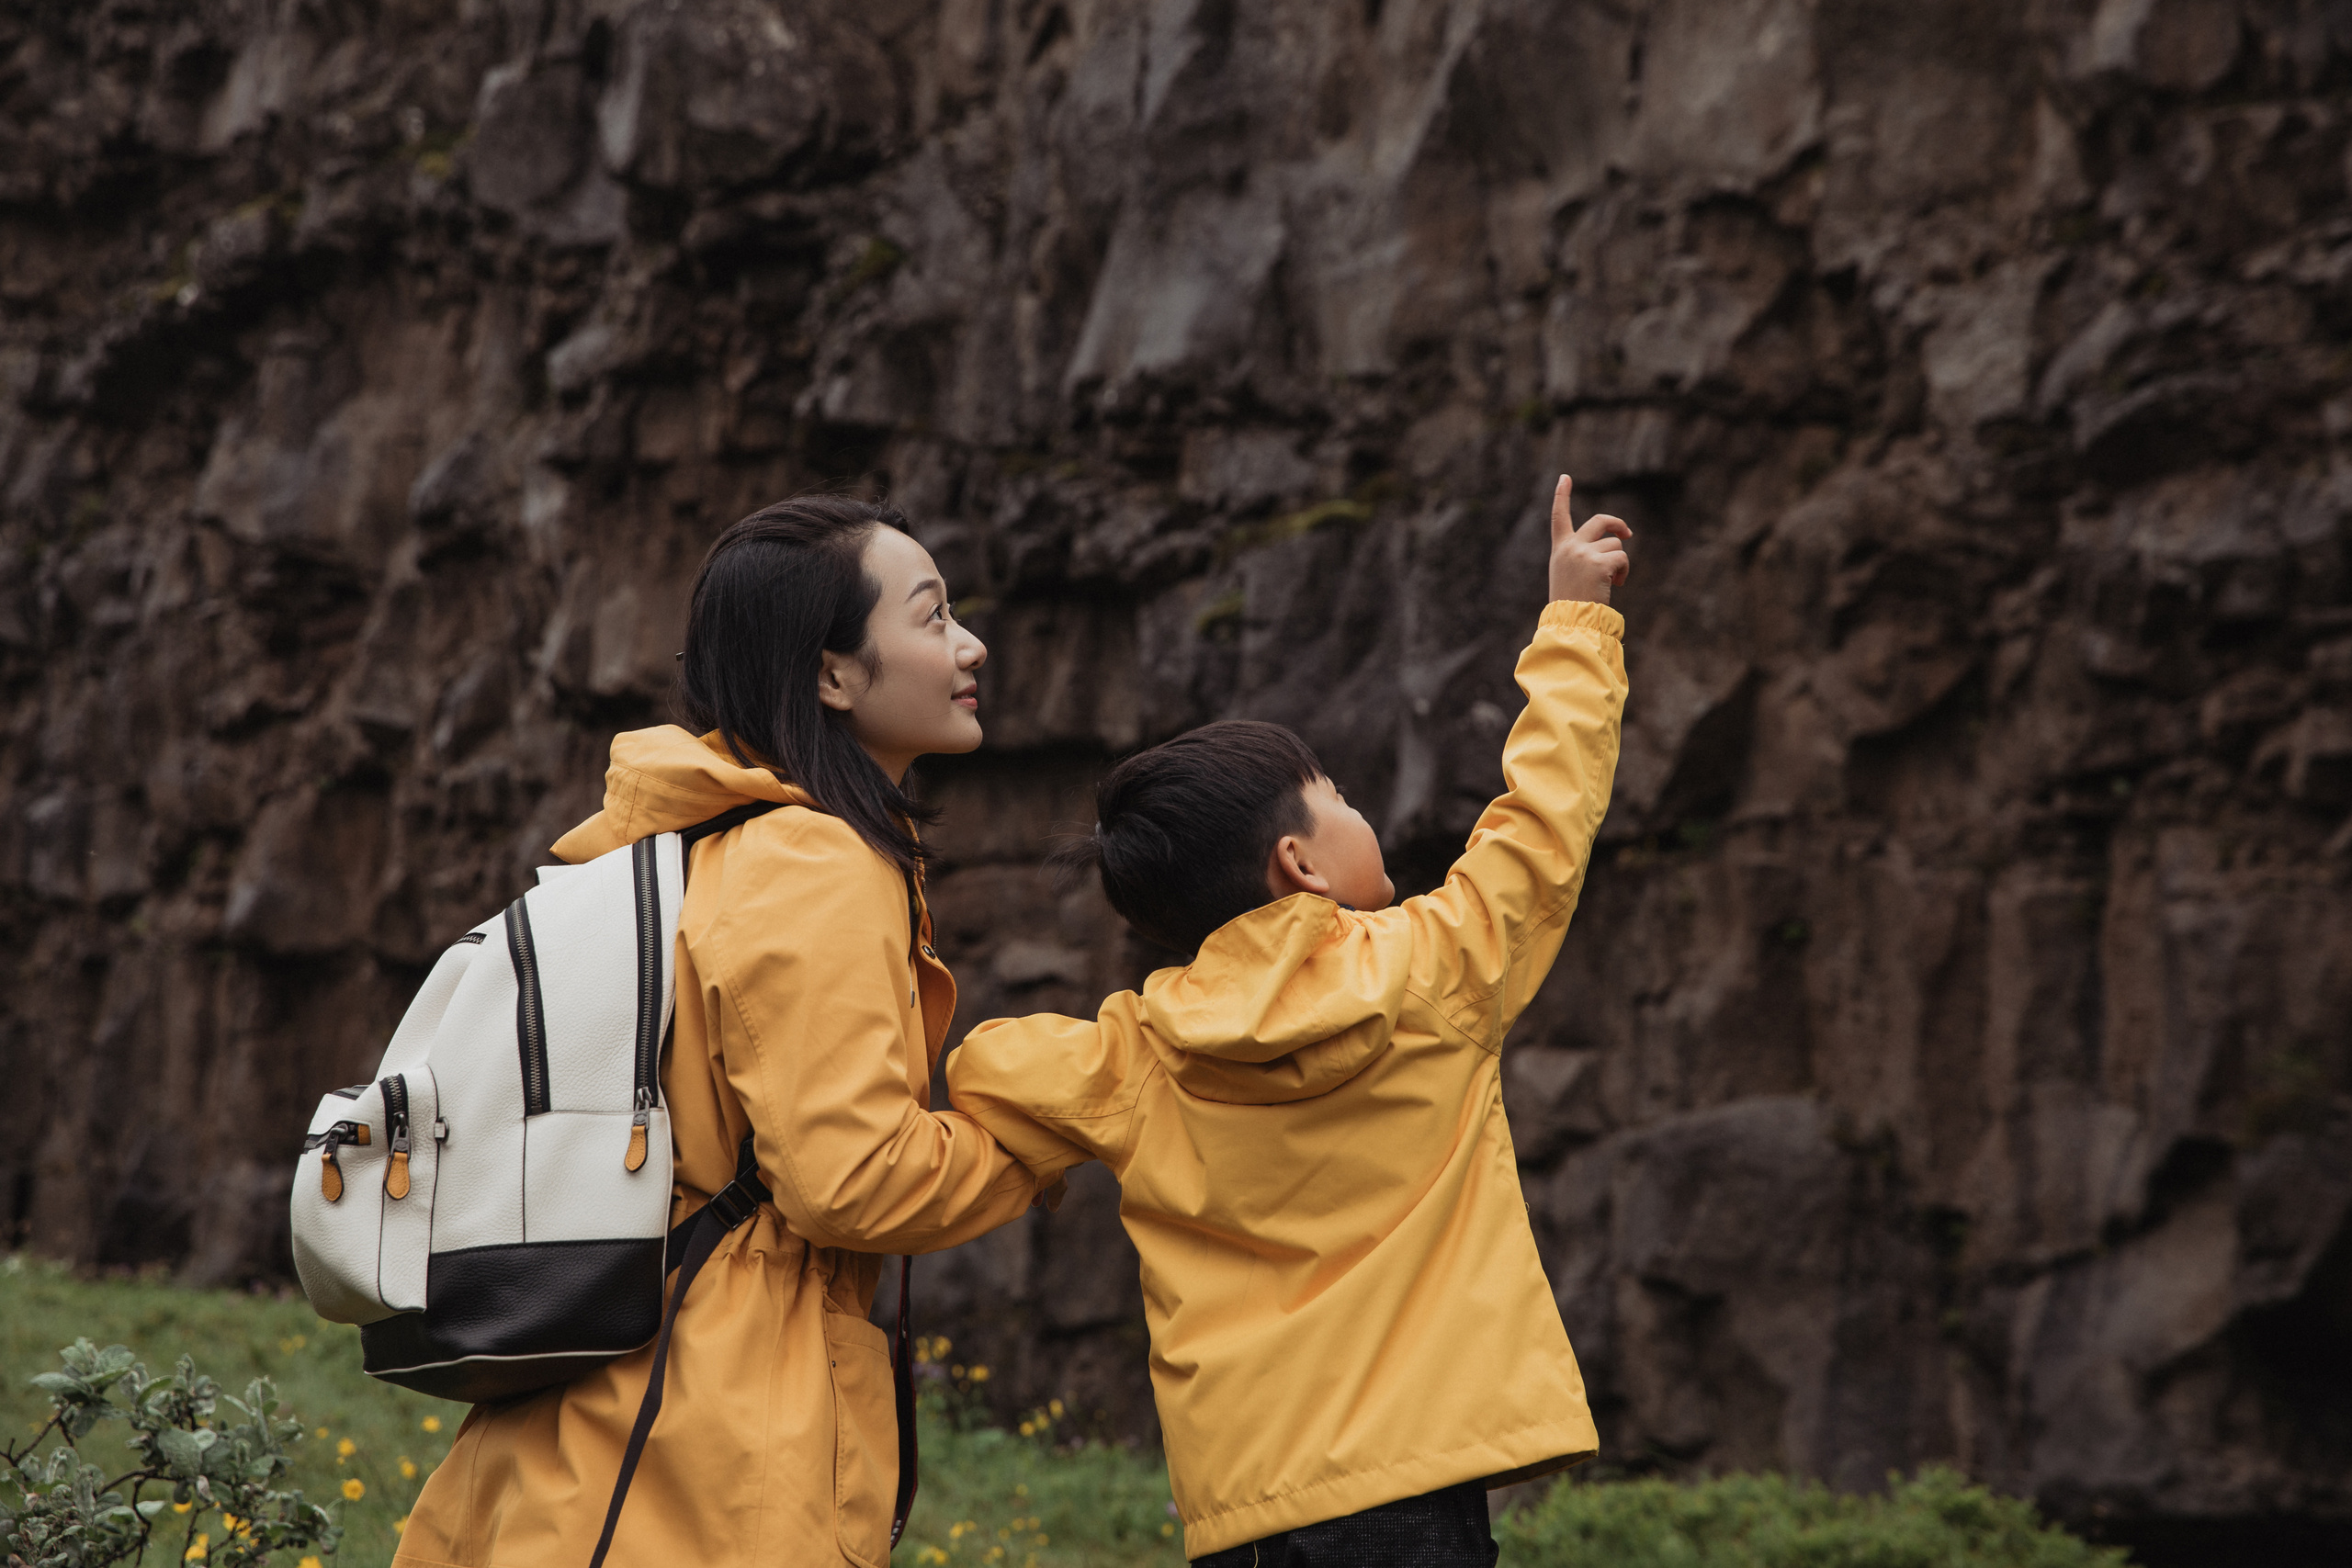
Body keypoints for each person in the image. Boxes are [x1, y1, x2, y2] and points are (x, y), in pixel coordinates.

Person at [946, 475, 1632, 1565]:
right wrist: (1574, 622)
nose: (1360, 811)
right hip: (1416, 1485)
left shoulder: (1133, 1054)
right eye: (1340, 798)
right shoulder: (1437, 964)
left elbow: (989, 1068)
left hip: (1249, 1507)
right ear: (1299, 863)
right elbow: (1545, 820)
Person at [393, 496, 1049, 1568]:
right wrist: (1048, 1123)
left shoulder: (697, 843)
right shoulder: (815, 860)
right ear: (832, 675)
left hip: (591, 1396)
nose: (969, 645)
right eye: (932, 617)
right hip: (714, 1428)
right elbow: (854, 1183)